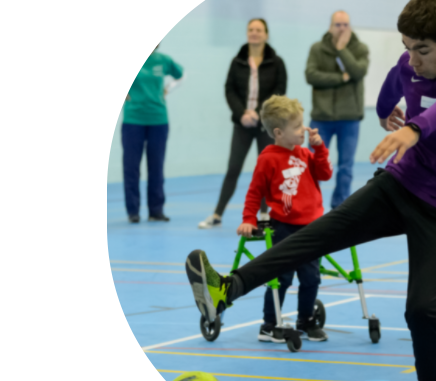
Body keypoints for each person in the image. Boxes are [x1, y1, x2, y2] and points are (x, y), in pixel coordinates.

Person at [185, 0, 436, 381]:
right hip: (403, 184)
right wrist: (390, 115)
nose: (412, 60)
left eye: (422, 49)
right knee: (319, 233)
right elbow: (391, 91)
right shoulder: (408, 67)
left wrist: (413, 129)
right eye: (406, 47)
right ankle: (228, 289)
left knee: (421, 308)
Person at [237, 95, 333, 342]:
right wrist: (249, 218)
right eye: (298, 127)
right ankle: (269, 324)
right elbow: (254, 191)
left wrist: (319, 148)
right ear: (278, 132)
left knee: (311, 277)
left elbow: (325, 173)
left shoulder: (305, 153)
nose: (304, 129)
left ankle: (306, 320)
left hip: (312, 227)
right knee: (282, 277)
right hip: (285, 228)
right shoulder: (268, 159)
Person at [198, 18, 287, 229]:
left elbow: (279, 91)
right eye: (251, 30)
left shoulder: (277, 62)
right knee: (233, 168)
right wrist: (242, 114)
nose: (254, 33)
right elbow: (229, 90)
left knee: (266, 170)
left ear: (266, 34)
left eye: (258, 30)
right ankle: (217, 214)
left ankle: (265, 215)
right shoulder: (237, 61)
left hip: (266, 124)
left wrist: (258, 113)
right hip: (242, 124)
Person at [305, 10, 369, 210]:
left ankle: (339, 207)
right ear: (330, 27)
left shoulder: (360, 48)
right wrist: (340, 79)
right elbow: (311, 75)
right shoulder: (317, 49)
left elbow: (358, 72)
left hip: (349, 118)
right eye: (337, 25)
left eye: (345, 25)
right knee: (312, 164)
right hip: (321, 118)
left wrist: (342, 49)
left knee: (345, 167)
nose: (342, 29)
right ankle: (310, 205)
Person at [122, 43, 183, 223]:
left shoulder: (163, 60)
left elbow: (181, 75)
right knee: (131, 167)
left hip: (158, 119)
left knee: (156, 166)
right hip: (133, 120)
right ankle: (133, 210)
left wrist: (168, 89)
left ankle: (156, 210)